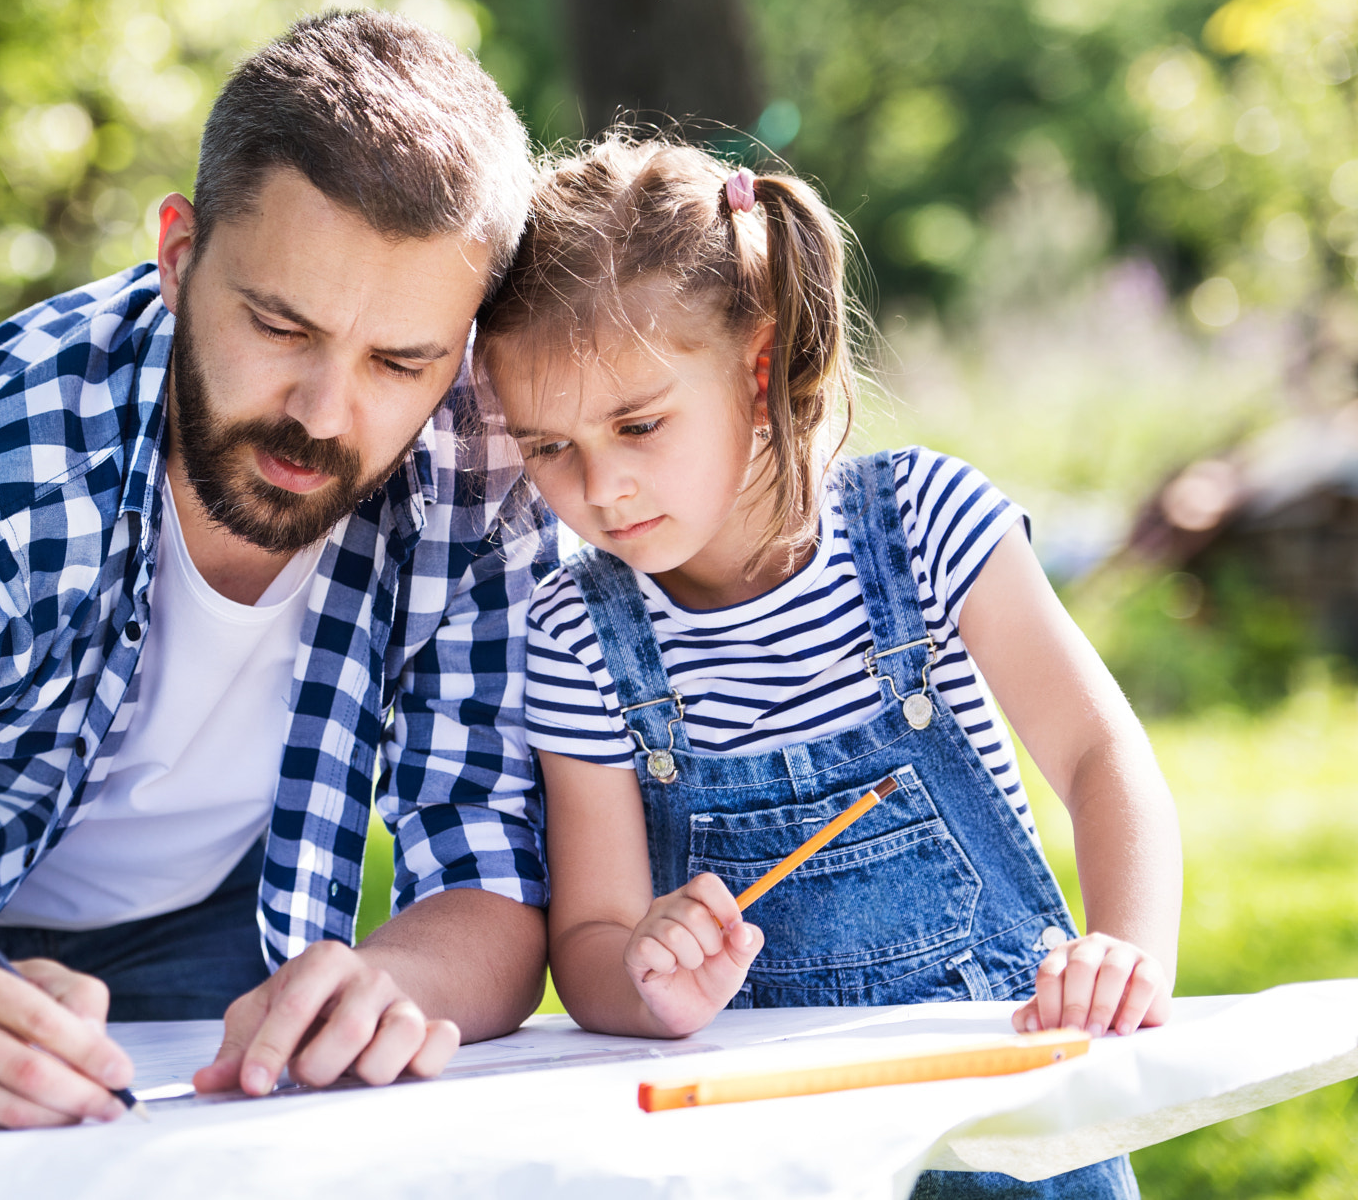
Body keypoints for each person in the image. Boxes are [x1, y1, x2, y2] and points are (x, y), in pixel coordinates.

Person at [0, 10, 556, 1130]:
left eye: (399, 361)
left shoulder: (480, 466)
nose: (325, 415)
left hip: (204, 890)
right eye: (279, 326)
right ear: (178, 258)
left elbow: (487, 874)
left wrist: (392, 987)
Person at [475, 134, 1181, 1198]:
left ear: (757, 367)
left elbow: (1095, 753)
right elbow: (586, 938)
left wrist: (1124, 950)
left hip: (1006, 1114)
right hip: (765, 1154)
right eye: (547, 446)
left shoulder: (925, 524)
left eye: (638, 424)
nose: (601, 487)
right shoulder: (576, 634)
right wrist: (644, 982)